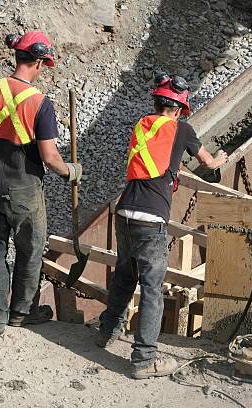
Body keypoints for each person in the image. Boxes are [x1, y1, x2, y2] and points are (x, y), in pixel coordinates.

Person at [96, 72, 227, 379]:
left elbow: (158, 158)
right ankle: (144, 360)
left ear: (155, 102)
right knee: (152, 289)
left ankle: (106, 332)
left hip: (126, 210)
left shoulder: (142, 124)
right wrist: (220, 159)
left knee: (125, 275)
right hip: (151, 217)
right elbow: (207, 162)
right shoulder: (182, 128)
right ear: (180, 109)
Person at [0, 32, 82, 337]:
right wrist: (71, 171)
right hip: (24, 192)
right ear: (40, 62)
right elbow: (50, 157)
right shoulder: (40, 103)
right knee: (29, 251)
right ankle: (20, 314)